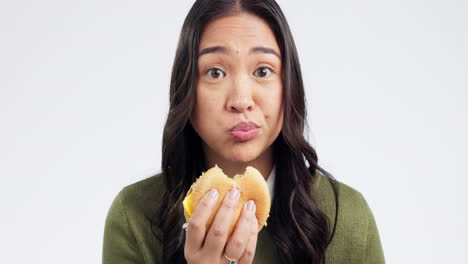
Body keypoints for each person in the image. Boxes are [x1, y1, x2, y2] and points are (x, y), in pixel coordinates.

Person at [102, 0, 385, 263]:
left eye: (263, 71)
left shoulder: (346, 218)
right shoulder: (136, 216)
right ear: (185, 88)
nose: (241, 100)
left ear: (289, 85)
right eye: (215, 72)